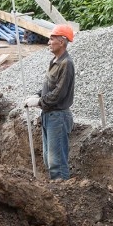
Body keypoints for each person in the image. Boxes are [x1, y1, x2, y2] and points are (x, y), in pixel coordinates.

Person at [25, 24, 76, 180]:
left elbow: (58, 94)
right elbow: (49, 87)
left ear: (62, 41)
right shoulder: (54, 61)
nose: (48, 42)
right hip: (49, 115)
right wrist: (36, 95)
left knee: (57, 163)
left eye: (52, 39)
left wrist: (39, 102)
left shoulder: (66, 64)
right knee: (48, 158)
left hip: (58, 117)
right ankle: (56, 190)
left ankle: (62, 194)